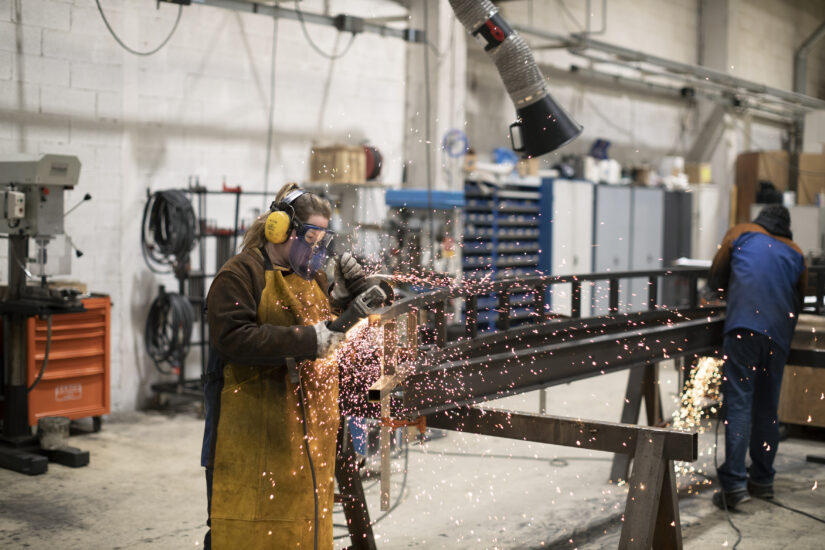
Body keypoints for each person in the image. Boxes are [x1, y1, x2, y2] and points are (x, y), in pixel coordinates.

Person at [200, 183, 365, 549]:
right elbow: (234, 338)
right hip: (248, 430)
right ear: (280, 229)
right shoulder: (240, 275)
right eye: (309, 238)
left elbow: (329, 329)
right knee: (243, 529)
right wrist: (310, 340)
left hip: (302, 436)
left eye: (322, 239)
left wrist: (347, 299)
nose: (316, 249)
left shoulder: (314, 278)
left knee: (300, 528)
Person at [708, 204, 808, 509]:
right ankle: (762, 482)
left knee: (739, 405)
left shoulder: (741, 233)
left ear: (760, 218)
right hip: (778, 336)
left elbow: (716, 277)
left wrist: (725, 294)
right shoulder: (796, 252)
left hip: (742, 329)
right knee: (766, 410)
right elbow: (799, 300)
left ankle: (735, 486)